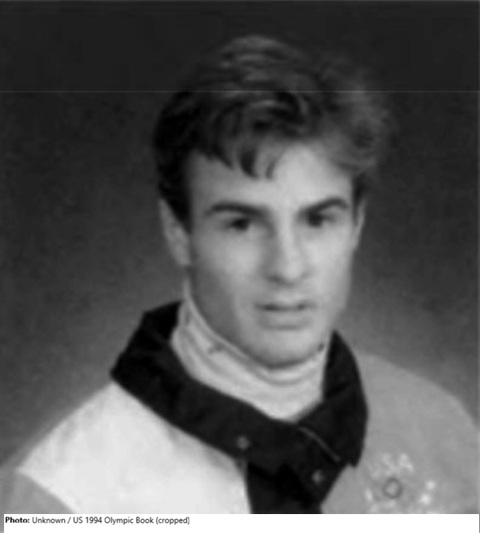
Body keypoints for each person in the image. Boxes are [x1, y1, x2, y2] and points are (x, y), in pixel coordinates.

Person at [0, 35, 477, 515]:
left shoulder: (444, 437)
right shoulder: (58, 495)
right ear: (178, 232)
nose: (288, 267)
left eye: (317, 220)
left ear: (356, 224)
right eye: (242, 224)